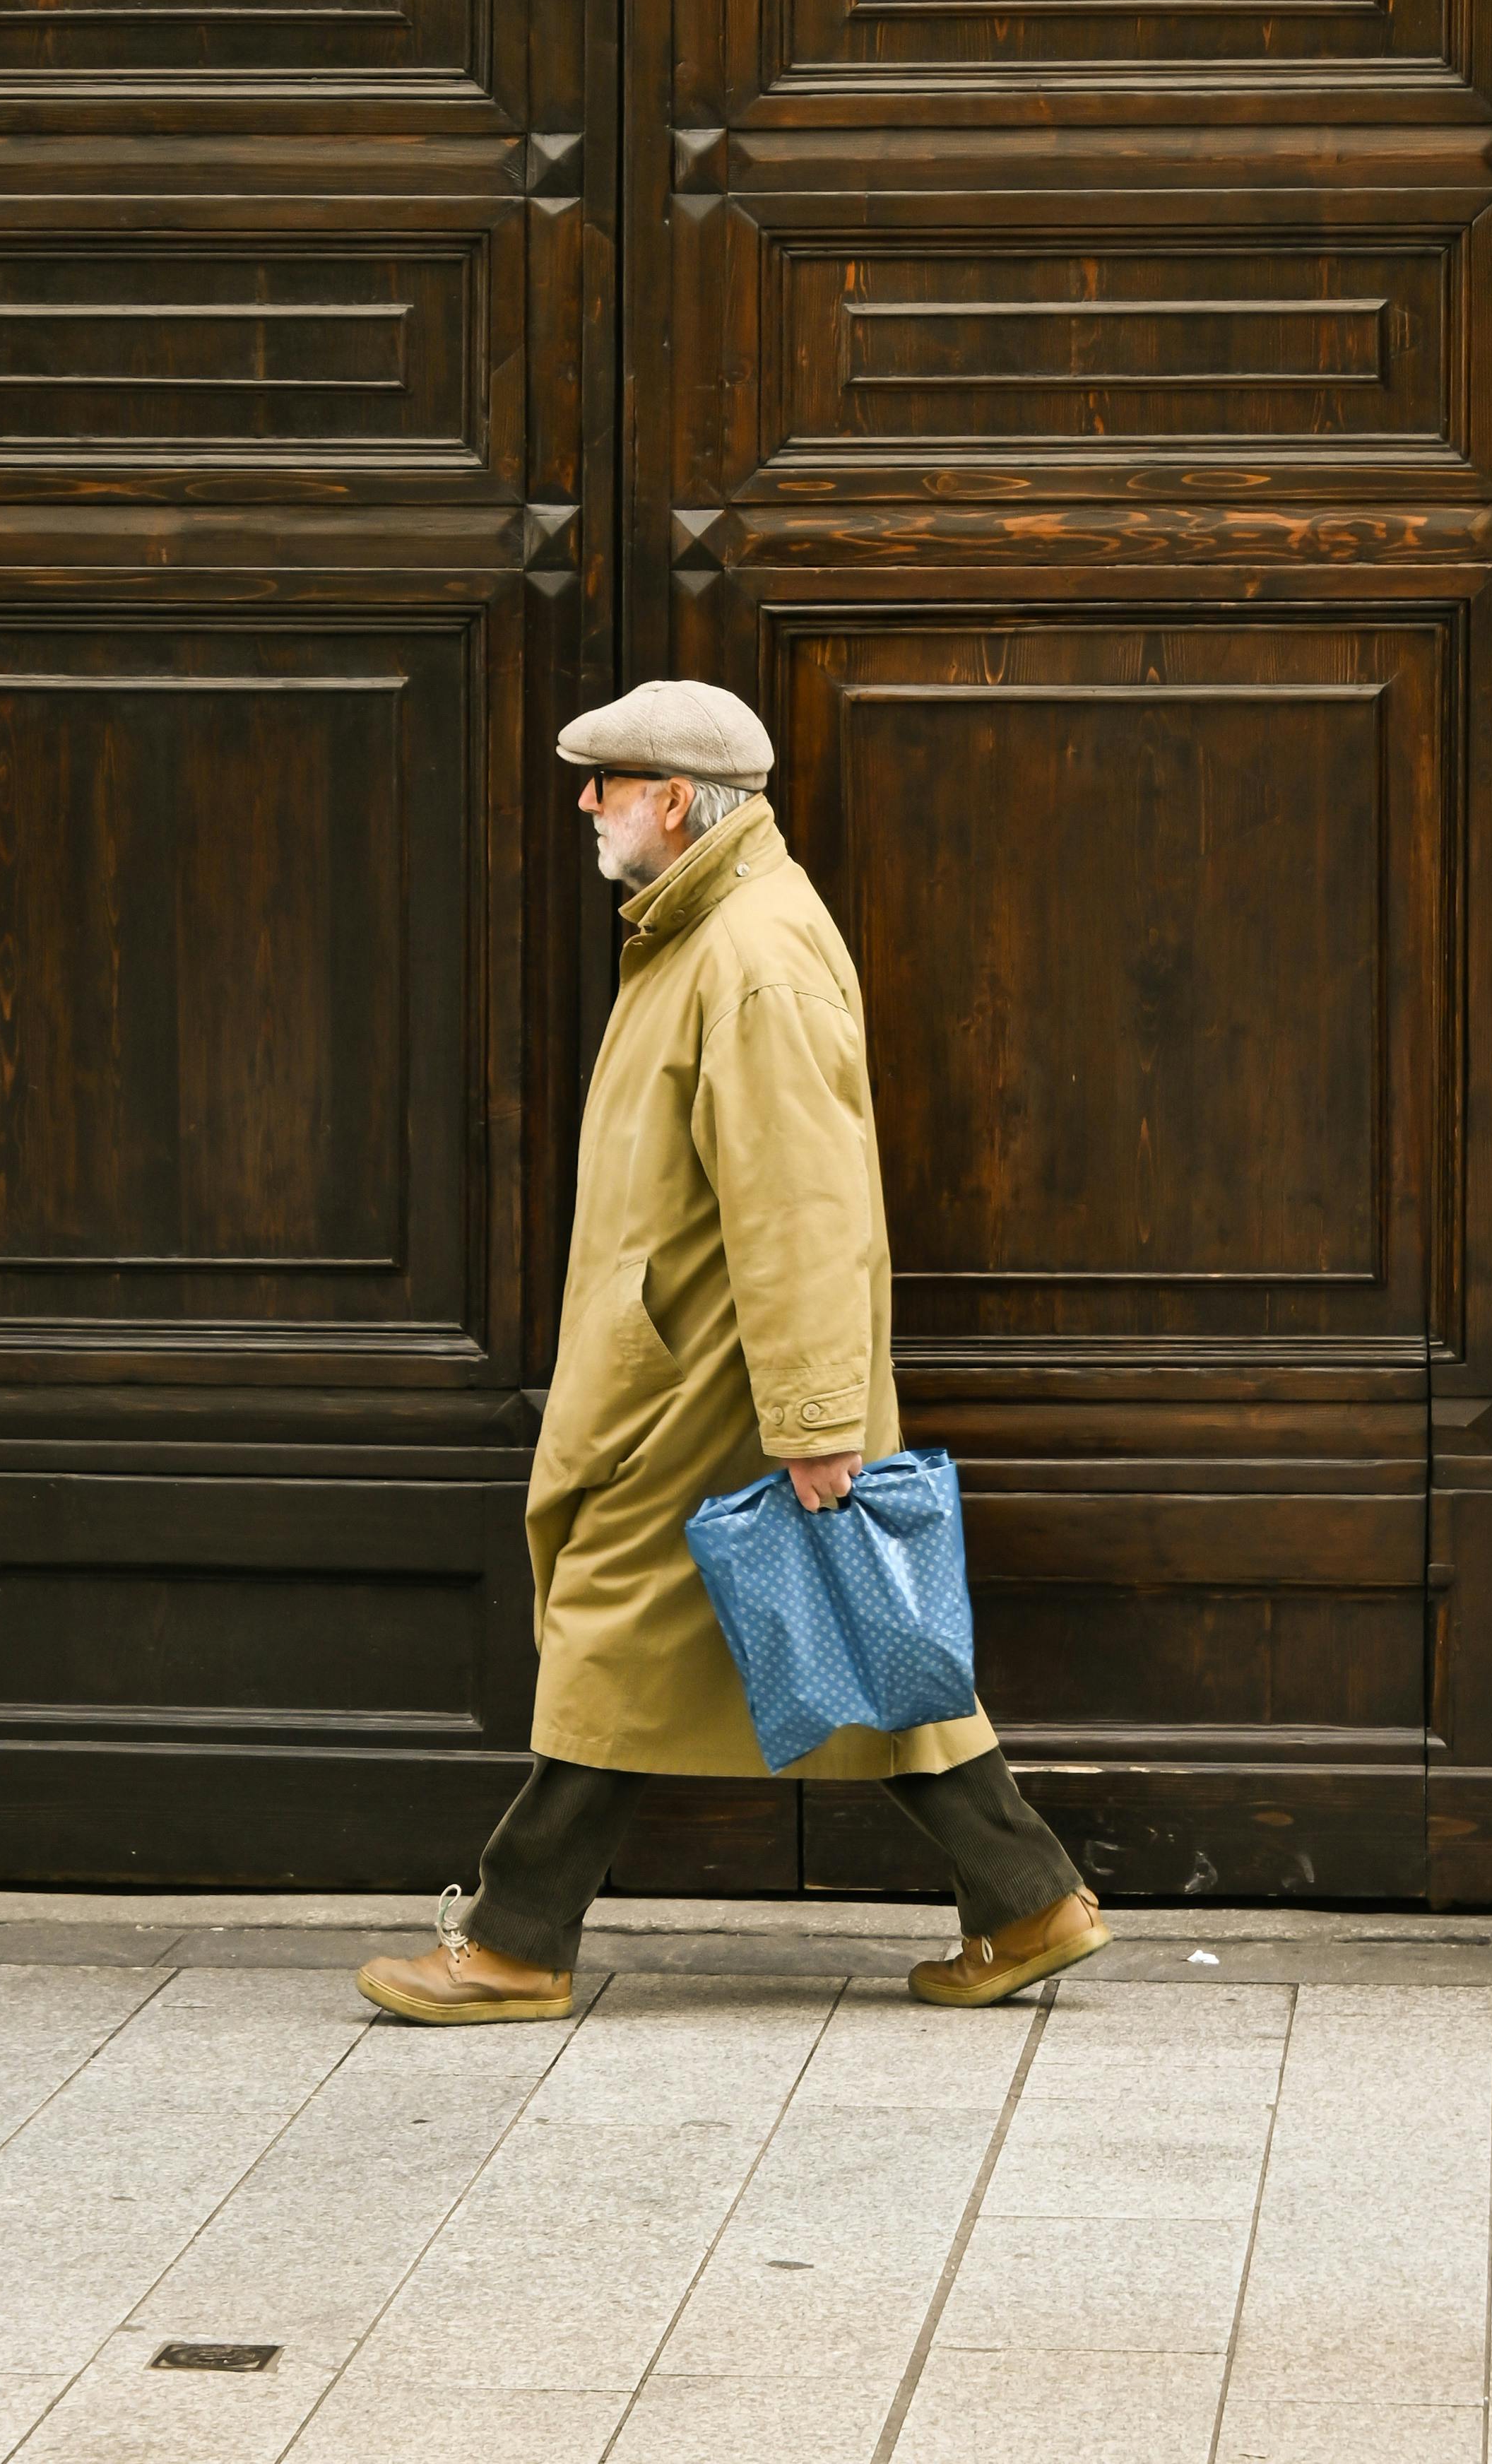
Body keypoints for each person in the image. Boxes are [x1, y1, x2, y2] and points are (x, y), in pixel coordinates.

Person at [358, 680, 1108, 2023]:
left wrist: (817, 1417)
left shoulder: (747, 954)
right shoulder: (706, 931)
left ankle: (519, 1941)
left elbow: (805, 1199)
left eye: (608, 780)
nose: (585, 802)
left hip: (709, 1382)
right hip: (699, 1360)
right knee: (862, 1633)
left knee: (610, 1624)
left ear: (676, 801)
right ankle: (1027, 1898)